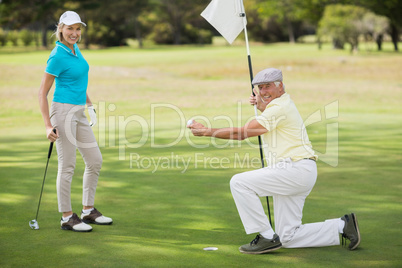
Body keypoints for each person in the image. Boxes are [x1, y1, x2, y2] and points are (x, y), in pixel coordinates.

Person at [188, 68, 360, 254]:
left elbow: (242, 133)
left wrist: (206, 131)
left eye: (267, 86)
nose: (263, 92)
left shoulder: (279, 108)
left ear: (280, 86)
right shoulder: (279, 105)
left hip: (295, 170)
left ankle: (267, 237)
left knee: (239, 183)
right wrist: (263, 106)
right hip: (297, 172)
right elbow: (267, 118)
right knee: (287, 236)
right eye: (259, 88)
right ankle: (342, 226)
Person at [38, 11, 112, 232]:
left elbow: (78, 81)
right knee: (68, 165)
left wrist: (89, 106)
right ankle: (67, 217)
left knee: (95, 160)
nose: (74, 33)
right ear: (60, 28)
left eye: (78, 29)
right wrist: (47, 125)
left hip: (79, 112)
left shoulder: (75, 49)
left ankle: (88, 211)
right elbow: (42, 93)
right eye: (70, 28)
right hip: (62, 112)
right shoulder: (57, 55)